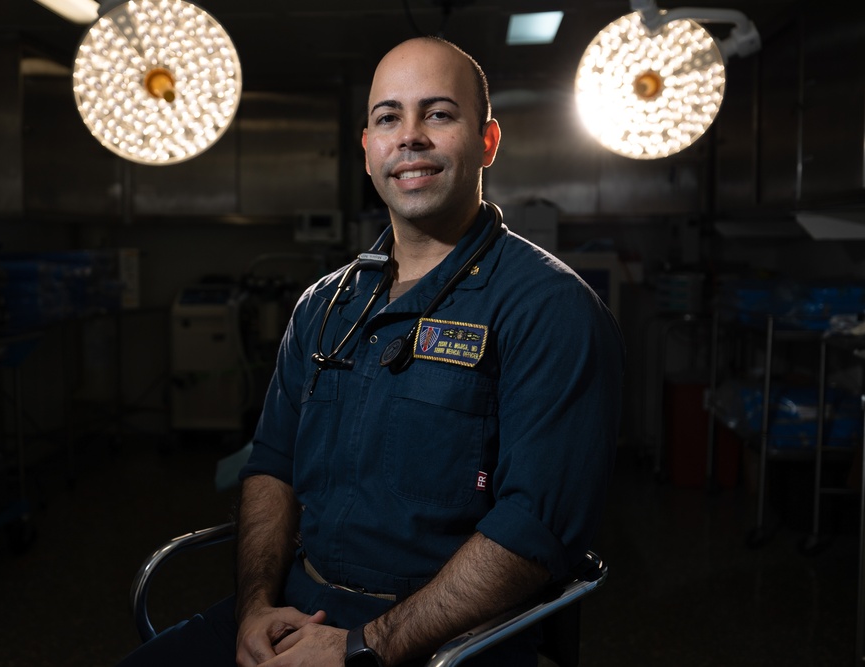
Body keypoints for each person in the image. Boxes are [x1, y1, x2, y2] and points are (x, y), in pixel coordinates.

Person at [117, 35, 623, 667]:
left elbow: (534, 528)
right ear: (367, 150)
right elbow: (272, 467)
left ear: (488, 142)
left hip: (446, 641)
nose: (409, 136)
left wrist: (365, 646)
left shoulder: (549, 311)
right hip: (294, 614)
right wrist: (253, 609)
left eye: (438, 114)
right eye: (389, 117)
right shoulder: (324, 308)